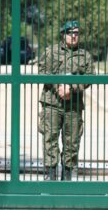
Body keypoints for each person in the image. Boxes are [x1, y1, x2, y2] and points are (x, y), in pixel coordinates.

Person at [37, 19, 93, 181]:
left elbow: (89, 78)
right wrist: (59, 86)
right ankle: (50, 177)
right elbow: (42, 72)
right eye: (70, 33)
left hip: (74, 106)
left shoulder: (85, 56)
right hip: (52, 104)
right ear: (63, 34)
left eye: (76, 33)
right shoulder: (51, 52)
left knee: (72, 143)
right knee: (50, 139)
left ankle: (67, 178)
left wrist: (71, 87)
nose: (73, 36)